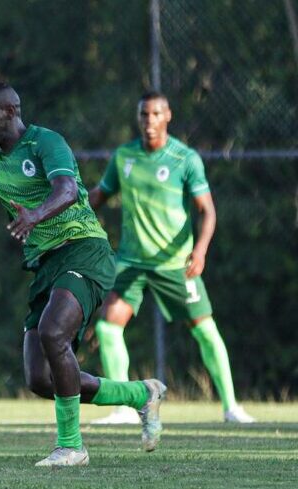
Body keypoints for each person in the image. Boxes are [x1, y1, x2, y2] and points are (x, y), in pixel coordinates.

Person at [0, 81, 166, 467]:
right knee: (40, 379)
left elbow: (67, 189)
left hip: (84, 249)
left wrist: (35, 214)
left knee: (55, 333)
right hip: (46, 266)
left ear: (10, 110)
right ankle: (141, 394)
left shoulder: (45, 142)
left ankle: (71, 446)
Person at [89, 91, 254, 424]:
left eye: (155, 114)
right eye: (143, 115)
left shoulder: (185, 158)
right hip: (132, 263)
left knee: (205, 330)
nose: (149, 121)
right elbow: (99, 197)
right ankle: (124, 408)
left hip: (175, 264)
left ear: (168, 116)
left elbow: (207, 211)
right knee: (108, 327)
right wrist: (63, 214)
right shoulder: (124, 157)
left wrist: (201, 251)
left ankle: (231, 407)